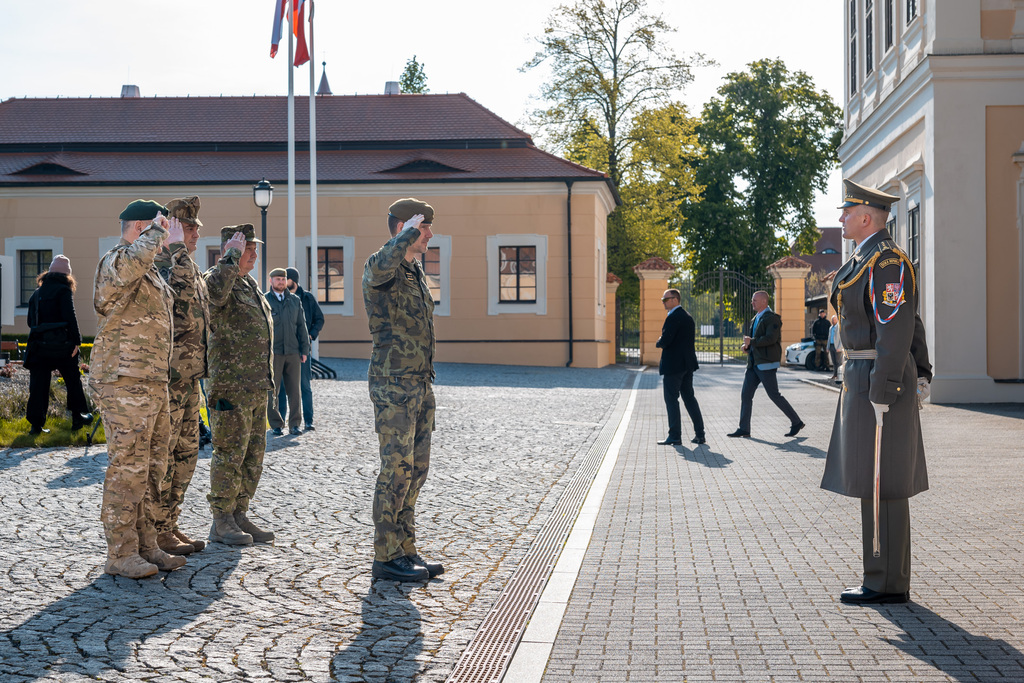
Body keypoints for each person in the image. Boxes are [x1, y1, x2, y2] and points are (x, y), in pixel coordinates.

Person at [821, 179, 932, 605]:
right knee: (871, 477)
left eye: (847, 211)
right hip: (864, 375)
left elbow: (898, 327)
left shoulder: (885, 262)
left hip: (876, 379)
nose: (841, 217)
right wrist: (921, 368)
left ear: (867, 216)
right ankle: (880, 575)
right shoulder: (865, 258)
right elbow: (910, 321)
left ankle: (885, 582)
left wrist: (890, 385)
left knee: (883, 481)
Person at [90, 200, 184, 578]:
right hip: (123, 380)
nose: (161, 241)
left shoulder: (149, 273)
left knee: (152, 467)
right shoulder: (116, 261)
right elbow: (132, 263)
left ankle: (146, 545)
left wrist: (167, 247)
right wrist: (156, 233)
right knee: (127, 466)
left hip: (151, 381)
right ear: (141, 229)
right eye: (155, 230)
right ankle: (120, 552)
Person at [362, 198, 443, 583]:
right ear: (403, 229)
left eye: (425, 228)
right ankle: (386, 555)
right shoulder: (383, 267)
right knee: (395, 469)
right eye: (423, 228)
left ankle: (406, 547)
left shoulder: (413, 273)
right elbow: (381, 266)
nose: (429, 234)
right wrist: (407, 233)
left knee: (416, 471)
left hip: (419, 383)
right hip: (393, 384)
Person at [204, 224, 276, 545]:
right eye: (248, 249)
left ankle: (239, 513)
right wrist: (230, 258)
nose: (255, 255)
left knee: (252, 454)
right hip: (230, 387)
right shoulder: (218, 281)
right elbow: (213, 297)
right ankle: (221, 519)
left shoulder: (249, 285)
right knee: (229, 452)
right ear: (231, 250)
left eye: (254, 249)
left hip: (255, 387)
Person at [152, 196, 210, 556]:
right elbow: (175, 301)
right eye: (188, 228)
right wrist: (174, 251)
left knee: (187, 455)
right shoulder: (161, 265)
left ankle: (171, 524)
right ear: (172, 228)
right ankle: (157, 531)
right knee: (166, 456)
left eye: (195, 229)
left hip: (190, 380)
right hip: (169, 380)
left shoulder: (188, 265)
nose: (194, 235)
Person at [24, 255, 92, 435]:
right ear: (67, 275)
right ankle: (78, 417)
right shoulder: (63, 290)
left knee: (38, 384)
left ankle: (36, 426)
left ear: (49, 272)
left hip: (39, 346)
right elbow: (70, 316)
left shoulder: (37, 293)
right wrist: (77, 341)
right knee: (72, 379)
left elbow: (31, 322)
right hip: (63, 346)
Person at [728, 291, 805, 439]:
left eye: (754, 300)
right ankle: (744, 428)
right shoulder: (756, 318)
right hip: (753, 364)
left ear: (764, 301)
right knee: (745, 395)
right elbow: (756, 340)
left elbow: (771, 338)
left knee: (774, 395)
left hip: (766, 364)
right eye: (752, 300)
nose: (752, 303)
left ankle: (796, 421)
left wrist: (752, 342)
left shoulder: (772, 318)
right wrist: (747, 347)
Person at [655, 288, 705, 446]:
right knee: (689, 398)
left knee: (671, 400)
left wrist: (659, 341)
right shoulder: (687, 316)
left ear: (675, 300)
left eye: (665, 299)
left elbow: (666, 340)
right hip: (687, 365)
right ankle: (700, 434)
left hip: (674, 366)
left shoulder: (674, 317)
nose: (663, 302)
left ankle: (675, 435)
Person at [277, 266, 324, 431]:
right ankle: (280, 422)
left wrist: (311, 335)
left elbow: (319, 319)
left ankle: (308, 421)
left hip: (302, 350)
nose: (282, 281)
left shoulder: (307, 298)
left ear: (292, 280)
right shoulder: (279, 297)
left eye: (285, 279)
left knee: (304, 386)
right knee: (282, 387)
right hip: (283, 350)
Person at [265, 267, 309, 437]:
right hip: (274, 353)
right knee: (272, 391)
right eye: (277, 279)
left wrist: (305, 349)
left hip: (293, 352)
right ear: (271, 281)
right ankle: (276, 424)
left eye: (283, 279)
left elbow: (301, 327)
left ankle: (295, 424)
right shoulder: (265, 300)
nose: (281, 282)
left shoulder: (295, 301)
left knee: (294, 391)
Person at [828, 314, 841, 382]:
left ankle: (839, 375)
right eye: (832, 320)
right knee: (834, 362)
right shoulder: (831, 328)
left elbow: (841, 338)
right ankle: (835, 374)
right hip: (831, 345)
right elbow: (829, 338)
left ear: (837, 320)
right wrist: (828, 347)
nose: (833, 321)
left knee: (838, 362)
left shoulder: (839, 327)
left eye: (835, 320)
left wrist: (839, 347)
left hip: (837, 347)